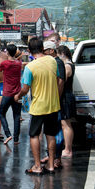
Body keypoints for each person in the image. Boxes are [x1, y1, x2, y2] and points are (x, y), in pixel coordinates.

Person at [15, 38, 61, 175]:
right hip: (53, 105)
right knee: (51, 135)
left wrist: (17, 96)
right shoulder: (53, 61)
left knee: (34, 135)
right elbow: (58, 79)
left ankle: (37, 166)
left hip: (38, 106)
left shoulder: (30, 67)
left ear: (29, 51)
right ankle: (51, 165)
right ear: (42, 48)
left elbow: (25, 89)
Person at [41, 40, 66, 168]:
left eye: (45, 51)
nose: (43, 54)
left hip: (55, 101)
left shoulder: (58, 62)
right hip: (49, 102)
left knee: (57, 131)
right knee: (49, 130)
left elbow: (61, 81)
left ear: (51, 51)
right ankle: (50, 155)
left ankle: (57, 157)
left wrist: (56, 97)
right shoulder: (49, 62)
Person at [0, 44, 22, 145]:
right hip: (18, 93)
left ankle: (8, 134)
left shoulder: (5, 64)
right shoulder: (19, 64)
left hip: (7, 93)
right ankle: (16, 139)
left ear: (7, 52)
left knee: (1, 113)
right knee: (17, 116)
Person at [57, 45, 76, 158]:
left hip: (65, 96)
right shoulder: (69, 64)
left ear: (63, 54)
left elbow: (62, 82)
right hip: (67, 96)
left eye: (58, 55)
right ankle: (66, 147)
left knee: (66, 124)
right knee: (65, 123)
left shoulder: (67, 66)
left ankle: (68, 149)